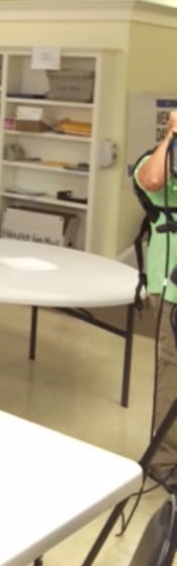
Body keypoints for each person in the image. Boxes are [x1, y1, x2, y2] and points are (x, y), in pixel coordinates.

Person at [133, 108, 177, 486]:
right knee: (172, 372)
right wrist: (171, 138)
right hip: (171, 290)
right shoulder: (156, 161)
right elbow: (152, 178)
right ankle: (164, 463)